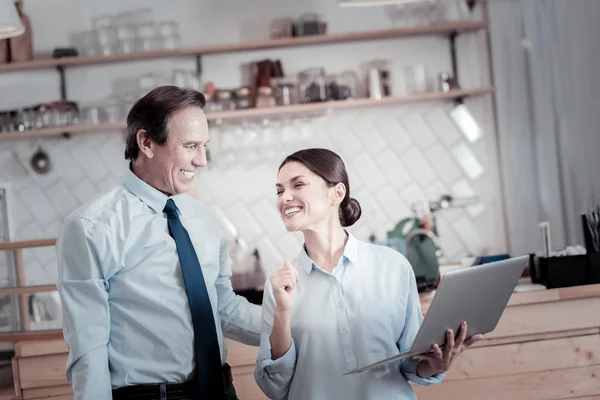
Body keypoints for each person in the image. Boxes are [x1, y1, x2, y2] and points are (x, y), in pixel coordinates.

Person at [56, 86, 262, 400]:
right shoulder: (91, 228)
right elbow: (89, 351)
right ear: (147, 142)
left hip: (221, 392)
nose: (202, 160)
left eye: (204, 146)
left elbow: (224, 310)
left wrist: (299, 324)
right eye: (191, 145)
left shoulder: (203, 220)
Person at [254, 148, 483, 399]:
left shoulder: (393, 267)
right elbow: (274, 387)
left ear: (337, 193)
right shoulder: (280, 286)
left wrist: (438, 364)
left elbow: (412, 361)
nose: (285, 197)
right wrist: (283, 312)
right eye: (279, 190)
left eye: (298, 185)